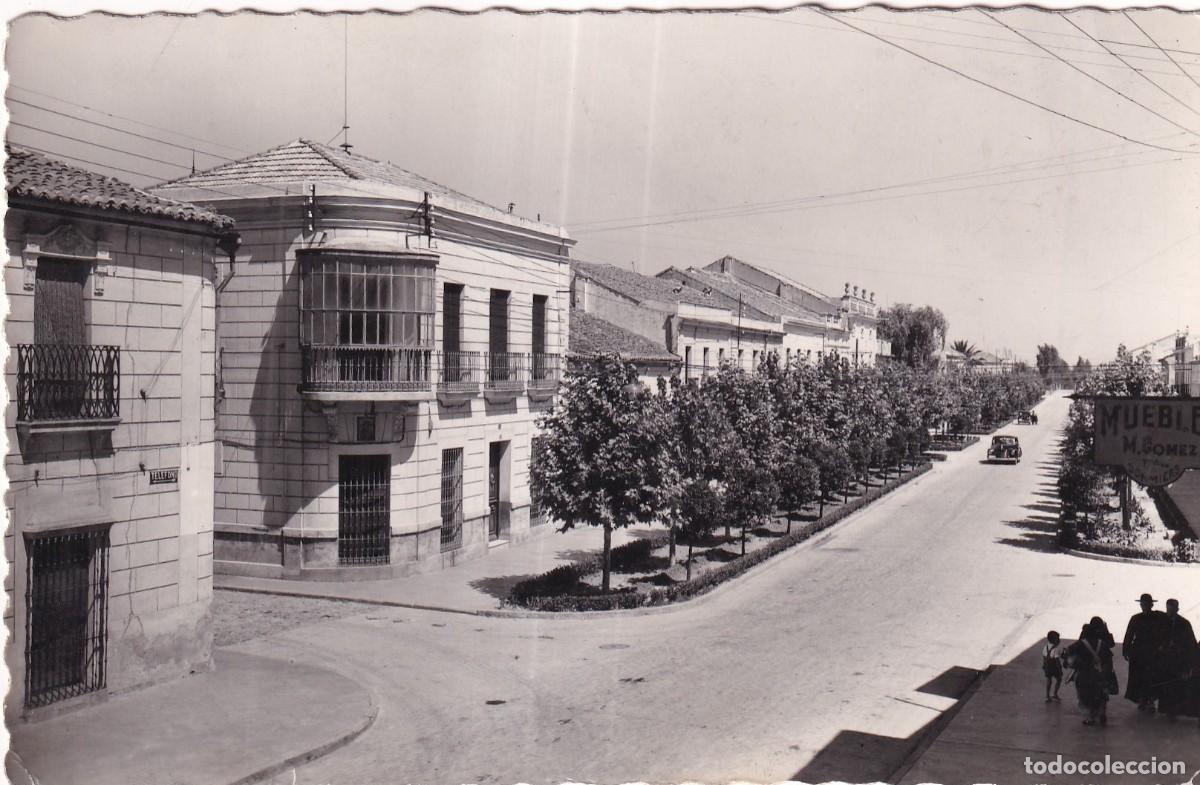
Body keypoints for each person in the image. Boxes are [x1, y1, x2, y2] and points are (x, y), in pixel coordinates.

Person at [1068, 618, 1115, 726]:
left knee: (1084, 695)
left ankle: (1090, 717)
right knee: (1101, 693)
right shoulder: (1102, 643)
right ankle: (1102, 712)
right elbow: (1109, 654)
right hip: (1100, 672)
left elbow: (1068, 652)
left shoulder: (1081, 643)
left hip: (1083, 673)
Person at [1123, 593, 1166, 712]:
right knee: (1139, 678)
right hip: (1139, 653)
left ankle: (1150, 701)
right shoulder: (1137, 618)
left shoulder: (1158, 616)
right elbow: (1129, 634)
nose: (1144, 606)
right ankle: (1143, 700)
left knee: (1151, 678)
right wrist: (1126, 649)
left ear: (1151, 605)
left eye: (1146, 604)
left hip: (1152, 653)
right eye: (1143, 604)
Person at [1156, 599, 1197, 720]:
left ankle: (1173, 711)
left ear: (1177, 609)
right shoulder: (1162, 622)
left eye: (1171, 609)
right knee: (1167, 685)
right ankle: (1168, 710)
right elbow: (1157, 637)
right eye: (1168, 609)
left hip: (1179, 660)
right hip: (1165, 659)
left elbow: (1190, 643)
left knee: (1176, 686)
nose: (1169, 612)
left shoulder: (1184, 624)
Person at [1043, 630, 1064, 702]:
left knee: (1048, 681)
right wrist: (1060, 669)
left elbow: (1044, 657)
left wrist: (1044, 665)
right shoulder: (1056, 649)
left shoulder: (1045, 647)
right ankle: (1055, 693)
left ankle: (1047, 695)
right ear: (1054, 640)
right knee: (1059, 679)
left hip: (1047, 667)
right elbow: (1057, 660)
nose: (1059, 640)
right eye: (1058, 639)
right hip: (1054, 667)